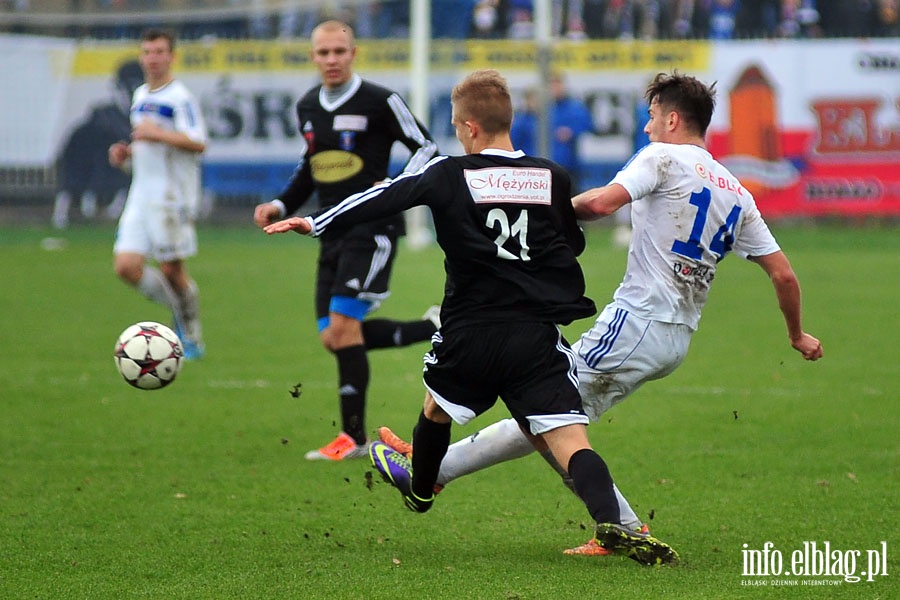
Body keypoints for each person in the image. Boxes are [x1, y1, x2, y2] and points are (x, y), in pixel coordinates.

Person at [377, 71, 824, 557]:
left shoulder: (662, 157)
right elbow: (783, 275)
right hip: (677, 338)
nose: (648, 128)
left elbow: (601, 201)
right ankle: (439, 469)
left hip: (635, 323)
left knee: (548, 415)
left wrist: (539, 210)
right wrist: (797, 335)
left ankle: (437, 472)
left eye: (652, 118)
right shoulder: (736, 190)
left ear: (673, 119)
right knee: (545, 414)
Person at [263, 68, 679, 566]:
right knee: (570, 441)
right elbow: (569, 245)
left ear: (468, 128)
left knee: (436, 411)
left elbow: (383, 196)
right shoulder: (551, 176)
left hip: (469, 333)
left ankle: (420, 489)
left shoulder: (447, 173)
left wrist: (314, 220)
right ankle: (612, 522)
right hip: (534, 336)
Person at [253, 20, 439, 462]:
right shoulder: (307, 107)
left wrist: (392, 188)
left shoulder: (380, 100)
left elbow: (426, 147)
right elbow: (311, 166)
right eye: (323, 52)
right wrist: (280, 205)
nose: (331, 59)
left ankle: (352, 438)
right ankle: (433, 327)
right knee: (334, 337)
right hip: (328, 228)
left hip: (371, 229)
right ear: (313, 56)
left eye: (339, 51)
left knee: (342, 326)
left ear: (354, 52)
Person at [108, 28, 208, 360]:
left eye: (159, 51)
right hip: (141, 192)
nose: (153, 58)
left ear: (172, 56)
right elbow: (146, 144)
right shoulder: (140, 95)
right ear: (141, 56)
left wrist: (158, 133)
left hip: (171, 195)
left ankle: (191, 331)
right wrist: (127, 154)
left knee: (171, 269)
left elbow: (198, 142)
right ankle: (181, 311)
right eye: (147, 52)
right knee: (126, 267)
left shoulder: (181, 98)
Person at [53, 60, 144, 230]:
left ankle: (108, 207)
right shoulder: (103, 116)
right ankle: (73, 207)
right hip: (88, 161)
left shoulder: (136, 117)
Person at [509, 72, 593, 193]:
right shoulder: (525, 119)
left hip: (564, 168)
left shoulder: (569, 108)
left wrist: (571, 131)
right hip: (532, 171)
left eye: (557, 83)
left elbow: (586, 123)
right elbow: (514, 140)